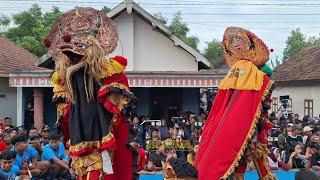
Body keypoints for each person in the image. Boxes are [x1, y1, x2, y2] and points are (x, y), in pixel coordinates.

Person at [45, 7, 136, 179]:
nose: (74, 59)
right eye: (71, 56)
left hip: (99, 131)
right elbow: (64, 113)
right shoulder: (66, 78)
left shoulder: (107, 71)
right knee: (83, 172)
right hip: (79, 131)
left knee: (100, 171)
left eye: (78, 52)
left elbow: (117, 107)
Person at [195, 27, 277, 179]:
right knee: (252, 161)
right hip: (250, 130)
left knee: (240, 162)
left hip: (239, 128)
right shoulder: (255, 75)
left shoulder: (233, 74)